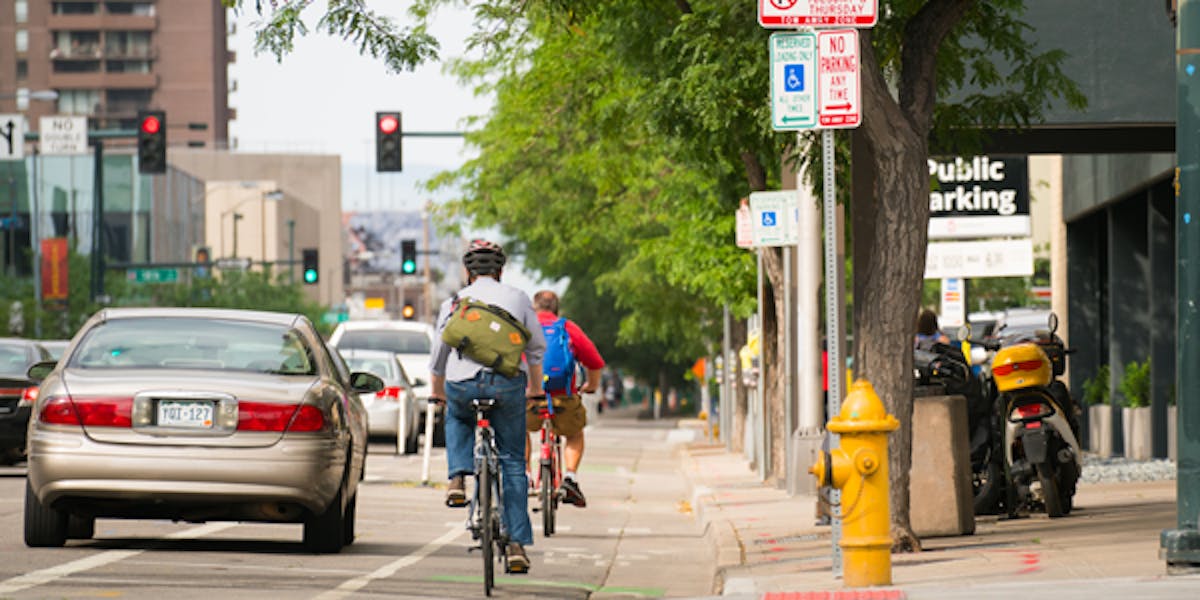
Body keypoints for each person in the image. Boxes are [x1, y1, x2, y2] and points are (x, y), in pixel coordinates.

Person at [428, 239, 546, 574]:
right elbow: (536, 348)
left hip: (462, 385)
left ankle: (457, 478)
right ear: (501, 270)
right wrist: (535, 389)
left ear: (467, 272)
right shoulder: (519, 298)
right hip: (507, 386)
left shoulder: (454, 303)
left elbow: (439, 354)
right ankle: (516, 546)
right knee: (511, 461)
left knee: (457, 417)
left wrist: (438, 393)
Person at [526, 290, 604, 508]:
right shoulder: (566, 328)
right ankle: (570, 477)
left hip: (529, 398)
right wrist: (591, 386)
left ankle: (524, 474)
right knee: (574, 433)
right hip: (563, 397)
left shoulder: (524, 326)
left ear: (535, 307)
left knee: (518, 428)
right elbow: (595, 361)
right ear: (556, 308)